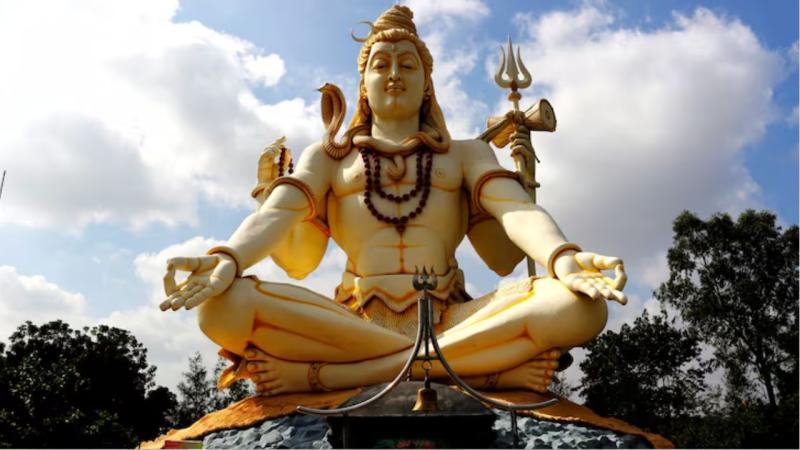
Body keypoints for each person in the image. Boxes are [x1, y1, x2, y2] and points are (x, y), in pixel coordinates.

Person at [160, 5, 626, 396]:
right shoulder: (329, 157)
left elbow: (515, 216)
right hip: (352, 322)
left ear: (427, 83)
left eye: (408, 65)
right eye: (381, 65)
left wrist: (563, 257)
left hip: (452, 318)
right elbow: (283, 217)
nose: (394, 74)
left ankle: (333, 377)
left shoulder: (465, 153)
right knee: (221, 307)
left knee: (579, 306)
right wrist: (228, 258)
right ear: (363, 84)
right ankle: (477, 371)